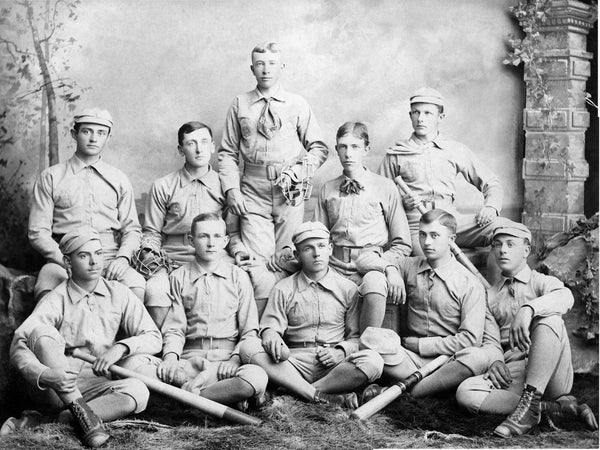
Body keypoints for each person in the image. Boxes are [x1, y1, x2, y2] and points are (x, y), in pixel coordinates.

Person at [0, 228, 162, 448]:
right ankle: (84, 420)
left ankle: (60, 419)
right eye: (84, 256)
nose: (94, 262)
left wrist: (121, 348)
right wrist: (46, 374)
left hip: (95, 385)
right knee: (41, 332)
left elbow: (153, 337)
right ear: (68, 262)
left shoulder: (119, 293)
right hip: (58, 384)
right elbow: (19, 343)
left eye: (98, 253)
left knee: (138, 390)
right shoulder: (57, 298)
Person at [456, 221, 598, 437]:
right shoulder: (489, 296)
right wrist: (495, 361)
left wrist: (528, 309)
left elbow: (565, 297)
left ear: (526, 250)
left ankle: (533, 405)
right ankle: (549, 409)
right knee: (465, 392)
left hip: (553, 376)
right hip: (516, 374)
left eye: (510, 244)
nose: (502, 250)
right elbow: (491, 341)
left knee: (550, 320)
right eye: (497, 244)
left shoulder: (542, 282)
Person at [126, 212, 268, 408]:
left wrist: (235, 360)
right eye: (203, 236)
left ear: (226, 241)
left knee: (257, 376)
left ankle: (184, 398)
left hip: (224, 363)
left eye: (217, 236)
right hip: (188, 363)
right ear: (192, 241)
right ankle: (218, 396)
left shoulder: (239, 277)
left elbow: (249, 330)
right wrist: (171, 359)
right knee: (134, 365)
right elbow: (175, 329)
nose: (211, 243)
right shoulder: (179, 277)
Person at [240, 222, 384, 409]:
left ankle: (297, 393)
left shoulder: (347, 289)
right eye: (308, 248)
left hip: (333, 367)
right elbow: (270, 326)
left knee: (373, 361)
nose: (316, 254)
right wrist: (272, 336)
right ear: (297, 255)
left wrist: (340, 351)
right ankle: (320, 396)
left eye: (321, 246)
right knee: (248, 347)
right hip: (293, 364)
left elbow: (357, 338)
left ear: (330, 249)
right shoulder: (284, 288)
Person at [218, 41, 329, 277]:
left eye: (271, 64)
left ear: (282, 67)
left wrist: (299, 172)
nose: (266, 70)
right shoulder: (240, 103)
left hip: (289, 192)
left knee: (289, 261)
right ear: (252, 69)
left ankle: (284, 312)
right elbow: (227, 153)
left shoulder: (297, 103)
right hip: (252, 191)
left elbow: (319, 148)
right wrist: (231, 189)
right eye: (260, 64)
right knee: (258, 266)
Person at [359, 209, 486, 401]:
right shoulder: (409, 265)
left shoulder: (469, 283)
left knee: (476, 357)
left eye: (435, 235)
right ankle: (427, 388)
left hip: (447, 362)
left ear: (452, 239)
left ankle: (409, 392)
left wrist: (421, 345)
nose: (426, 242)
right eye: (422, 234)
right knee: (371, 337)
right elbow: (364, 259)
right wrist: (391, 270)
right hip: (408, 358)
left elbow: (470, 339)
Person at [136, 121, 249, 326]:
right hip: (173, 258)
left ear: (213, 146)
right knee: (155, 290)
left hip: (215, 257)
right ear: (181, 149)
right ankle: (161, 348)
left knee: (250, 279)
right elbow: (151, 234)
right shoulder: (163, 186)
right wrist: (157, 265)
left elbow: (232, 232)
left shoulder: (226, 187)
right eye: (191, 143)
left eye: (204, 142)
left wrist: (239, 251)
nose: (199, 149)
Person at [28, 108, 145, 301]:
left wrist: (122, 258)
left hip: (108, 257)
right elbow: (37, 232)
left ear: (108, 138)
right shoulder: (51, 177)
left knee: (136, 286)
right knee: (47, 292)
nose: (93, 138)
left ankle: (127, 333)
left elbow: (132, 229)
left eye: (100, 133)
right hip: (64, 257)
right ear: (75, 134)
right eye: (86, 131)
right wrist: (63, 261)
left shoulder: (119, 179)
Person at [378, 88, 504, 258]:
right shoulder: (397, 154)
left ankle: (498, 286)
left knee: (508, 231)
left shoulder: (455, 150)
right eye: (416, 112)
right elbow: (379, 198)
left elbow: (492, 183)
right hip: (418, 227)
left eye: (428, 113)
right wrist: (402, 202)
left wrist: (491, 206)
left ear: (440, 117)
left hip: (452, 222)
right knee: (432, 263)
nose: (421, 118)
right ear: (410, 116)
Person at [314, 122, 411, 331]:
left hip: (370, 266)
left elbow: (402, 244)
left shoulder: (385, 187)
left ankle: (367, 347)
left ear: (366, 149)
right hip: (334, 266)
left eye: (355, 147)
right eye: (343, 146)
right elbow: (318, 238)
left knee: (375, 284)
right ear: (337, 149)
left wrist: (388, 266)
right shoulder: (327, 189)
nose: (348, 153)